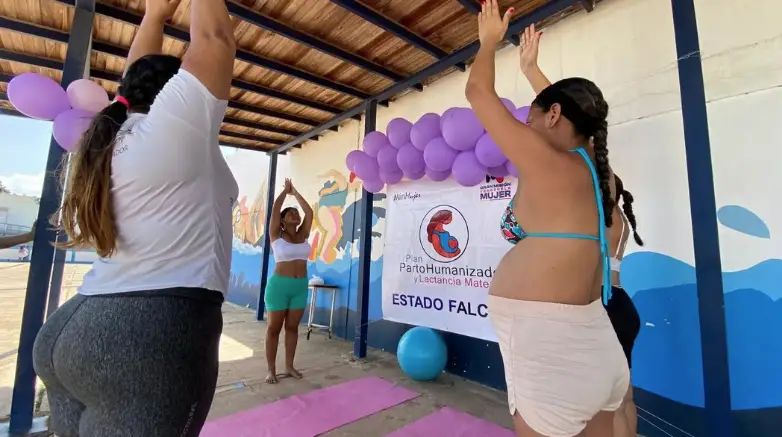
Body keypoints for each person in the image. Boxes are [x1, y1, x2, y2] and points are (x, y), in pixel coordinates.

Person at [31, 0, 237, 435]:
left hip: (74, 331)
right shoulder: (175, 131)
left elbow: (137, 73)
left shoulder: (107, 139)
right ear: (172, 92)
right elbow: (214, 41)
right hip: (150, 335)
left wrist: (155, 14)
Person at [468, 3, 627, 436]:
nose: (526, 125)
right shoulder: (600, 172)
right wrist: (533, 72)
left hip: (551, 354)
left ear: (554, 116)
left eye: (531, 116)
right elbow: (578, 120)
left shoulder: (546, 163)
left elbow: (478, 95)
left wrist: (487, 44)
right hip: (598, 346)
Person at [519, 25, 644, 437]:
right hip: (621, 307)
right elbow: (578, 128)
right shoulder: (615, 209)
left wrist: (533, 72)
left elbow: (571, 126)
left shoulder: (589, 183)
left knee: (587, 417)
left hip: (597, 308)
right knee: (622, 402)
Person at [265, 178, 314, 384]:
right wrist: (285, 193)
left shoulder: (303, 234)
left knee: (292, 328)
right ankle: (271, 370)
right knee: (274, 328)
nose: (294, 213)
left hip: (300, 287)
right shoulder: (276, 235)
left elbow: (309, 212)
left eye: (295, 212)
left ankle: (289, 366)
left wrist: (296, 194)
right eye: (290, 213)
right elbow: (276, 209)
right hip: (279, 286)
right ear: (282, 221)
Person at [605, 174, 644, 437]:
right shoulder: (621, 219)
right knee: (625, 397)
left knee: (612, 404)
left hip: (605, 306)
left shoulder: (603, 219)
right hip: (621, 305)